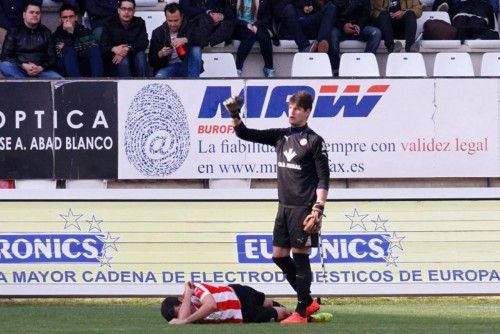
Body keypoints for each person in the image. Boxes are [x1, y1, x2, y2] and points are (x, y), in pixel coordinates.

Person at [224, 91, 330, 324]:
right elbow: (244, 133)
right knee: (279, 255)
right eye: (290, 107)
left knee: (300, 256)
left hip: (304, 208)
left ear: (307, 112)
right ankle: (308, 300)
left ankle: (301, 313)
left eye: (297, 108)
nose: (292, 112)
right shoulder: (281, 136)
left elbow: (324, 178)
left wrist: (319, 207)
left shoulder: (314, 141)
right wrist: (234, 114)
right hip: (283, 207)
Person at [161, 281, 290, 324]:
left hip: (237, 292)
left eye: (182, 308)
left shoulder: (194, 288)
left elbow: (211, 305)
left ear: (181, 299)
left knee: (267, 302)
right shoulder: (188, 317)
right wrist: (183, 320)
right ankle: (299, 316)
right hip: (242, 314)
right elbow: (183, 318)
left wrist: (188, 294)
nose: (186, 314)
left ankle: (300, 314)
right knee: (282, 314)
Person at [0, 1, 62, 78]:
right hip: (19, 70)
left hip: (40, 71)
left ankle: (25, 83)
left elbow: (52, 58)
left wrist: (40, 68)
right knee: (4, 65)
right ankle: (25, 83)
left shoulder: (46, 32)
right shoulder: (14, 31)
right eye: (31, 12)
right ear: (24, 15)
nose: (35, 15)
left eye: (37, 13)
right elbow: (5, 56)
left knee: (57, 78)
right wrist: (23, 65)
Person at [149, 3, 203, 78]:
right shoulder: (157, 32)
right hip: (168, 66)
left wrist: (186, 39)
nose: (173, 24)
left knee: (196, 49)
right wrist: (160, 54)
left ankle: (193, 82)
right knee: (159, 77)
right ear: (166, 17)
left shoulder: (190, 26)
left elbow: (203, 40)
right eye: (170, 21)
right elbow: (151, 61)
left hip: (188, 65)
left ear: (182, 16)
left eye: (176, 20)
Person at [330, 0, 382, 74]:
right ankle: (336, 69)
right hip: (340, 28)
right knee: (332, 34)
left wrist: (359, 26)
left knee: (376, 33)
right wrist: (343, 26)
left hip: (359, 28)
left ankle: (365, 66)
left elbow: (366, 13)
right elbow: (331, 16)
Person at [52, 4, 104, 77]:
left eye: (71, 17)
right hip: (66, 69)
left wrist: (68, 46)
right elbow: (59, 54)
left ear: (76, 17)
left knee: (94, 50)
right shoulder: (56, 36)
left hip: (84, 65)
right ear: (60, 19)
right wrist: (70, 33)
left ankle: (98, 82)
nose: (68, 20)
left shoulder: (85, 32)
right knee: (69, 50)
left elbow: (93, 46)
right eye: (64, 17)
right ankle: (76, 84)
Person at [100, 0, 149, 77]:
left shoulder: (139, 22)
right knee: (123, 60)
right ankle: (126, 88)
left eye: (130, 9)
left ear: (134, 11)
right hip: (114, 62)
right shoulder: (109, 23)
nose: (126, 12)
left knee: (141, 55)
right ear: (118, 10)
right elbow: (103, 46)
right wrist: (114, 49)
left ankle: (144, 84)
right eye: (124, 8)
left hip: (134, 59)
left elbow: (144, 42)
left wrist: (127, 48)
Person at [230, 0, 276, 77]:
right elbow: (230, 18)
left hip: (258, 25)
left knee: (265, 37)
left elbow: (267, 18)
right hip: (240, 26)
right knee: (249, 37)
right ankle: (238, 68)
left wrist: (256, 25)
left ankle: (269, 67)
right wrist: (246, 24)